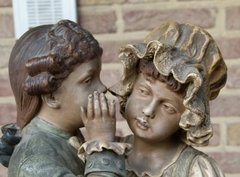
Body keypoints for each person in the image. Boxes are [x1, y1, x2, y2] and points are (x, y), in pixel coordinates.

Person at [80, 21, 227, 176]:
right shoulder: (102, 151)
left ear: (187, 117)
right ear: (130, 87)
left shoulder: (196, 170)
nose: (148, 110)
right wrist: (103, 146)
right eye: (143, 91)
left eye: (167, 107)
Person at [5, 19, 130, 177]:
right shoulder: (34, 164)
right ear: (52, 97)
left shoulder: (64, 134)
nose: (102, 88)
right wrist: (102, 143)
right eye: (88, 80)